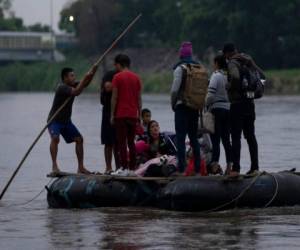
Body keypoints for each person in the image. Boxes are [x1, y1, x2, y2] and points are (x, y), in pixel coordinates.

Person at [48, 65, 98, 174]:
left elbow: (85, 84)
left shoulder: (73, 84)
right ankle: (54, 166)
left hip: (66, 121)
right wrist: (85, 77)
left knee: (79, 139)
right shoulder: (61, 87)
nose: (74, 78)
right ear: (65, 78)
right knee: (55, 138)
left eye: (74, 76)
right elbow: (77, 92)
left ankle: (80, 167)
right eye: (71, 76)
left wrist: (93, 72)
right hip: (54, 120)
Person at [223, 43, 263, 176]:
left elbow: (234, 77)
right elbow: (263, 76)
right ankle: (255, 168)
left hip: (237, 104)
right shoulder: (248, 60)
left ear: (228, 53)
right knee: (251, 136)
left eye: (225, 55)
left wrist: (229, 86)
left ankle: (236, 169)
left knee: (235, 137)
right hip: (250, 104)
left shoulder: (232, 63)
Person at [171, 41, 205, 175]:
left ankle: (182, 169)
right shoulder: (198, 68)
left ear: (181, 54)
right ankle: (197, 169)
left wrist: (173, 104)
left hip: (182, 107)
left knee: (180, 138)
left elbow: (174, 90)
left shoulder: (180, 68)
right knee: (194, 139)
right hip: (195, 107)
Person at [111, 54, 142, 174]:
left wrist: (112, 115)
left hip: (121, 115)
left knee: (122, 143)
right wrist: (139, 114)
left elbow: (114, 97)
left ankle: (124, 168)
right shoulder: (136, 78)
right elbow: (139, 98)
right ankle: (133, 168)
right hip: (133, 115)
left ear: (119, 64)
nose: (115, 67)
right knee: (131, 142)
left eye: (116, 65)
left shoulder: (117, 77)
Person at [206, 54, 232, 175]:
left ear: (216, 63)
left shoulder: (216, 76)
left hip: (217, 109)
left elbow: (210, 95)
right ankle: (229, 166)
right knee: (226, 140)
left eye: (213, 63)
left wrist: (206, 106)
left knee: (215, 140)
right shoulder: (229, 76)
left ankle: (215, 166)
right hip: (228, 110)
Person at [100, 69, 120, 174]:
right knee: (108, 142)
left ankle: (118, 167)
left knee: (118, 142)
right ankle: (108, 167)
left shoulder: (122, 75)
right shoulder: (110, 74)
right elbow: (107, 87)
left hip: (119, 112)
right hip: (108, 112)